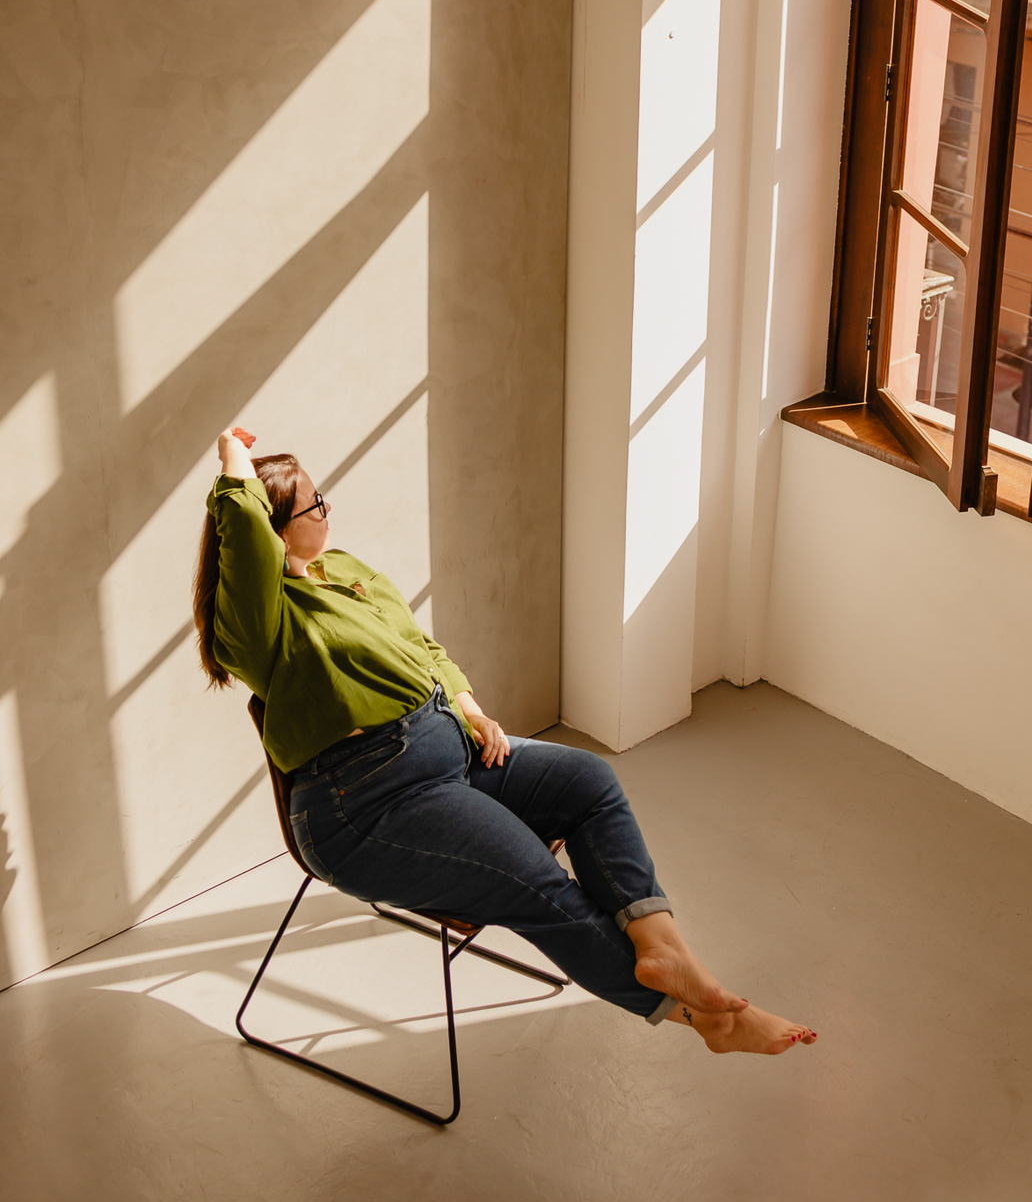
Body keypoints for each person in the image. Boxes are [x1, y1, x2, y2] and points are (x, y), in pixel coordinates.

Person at [194, 425, 817, 1057]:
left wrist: (472, 713)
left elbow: (422, 648)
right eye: (313, 504)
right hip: (366, 806)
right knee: (535, 878)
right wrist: (234, 458)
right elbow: (244, 540)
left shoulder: (345, 570)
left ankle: (663, 948)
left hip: (448, 751)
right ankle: (704, 1020)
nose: (328, 510)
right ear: (272, 530)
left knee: (590, 782)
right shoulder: (255, 625)